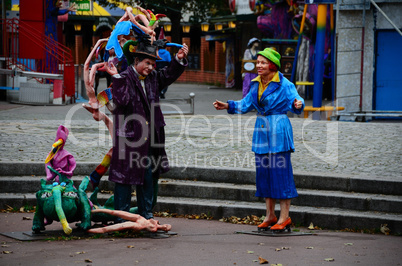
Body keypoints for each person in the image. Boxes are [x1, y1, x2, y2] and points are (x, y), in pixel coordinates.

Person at [213, 48, 304, 231]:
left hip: (278, 129)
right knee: (264, 174)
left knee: (281, 173)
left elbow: (296, 100)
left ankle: (284, 218)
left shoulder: (284, 83)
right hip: (261, 130)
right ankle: (270, 215)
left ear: (272, 65)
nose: (259, 65)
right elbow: (245, 104)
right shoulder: (255, 84)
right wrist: (228, 105)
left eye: (263, 62)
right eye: (258, 62)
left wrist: (297, 104)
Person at [103, 38, 189, 223]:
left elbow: (168, 74)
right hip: (129, 136)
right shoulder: (124, 77)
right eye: (147, 63)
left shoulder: (153, 78)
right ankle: (121, 216)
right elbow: (122, 102)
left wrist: (178, 59)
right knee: (124, 178)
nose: (150, 67)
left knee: (147, 174)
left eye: (153, 64)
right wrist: (115, 78)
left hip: (150, 136)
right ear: (136, 61)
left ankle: (146, 213)